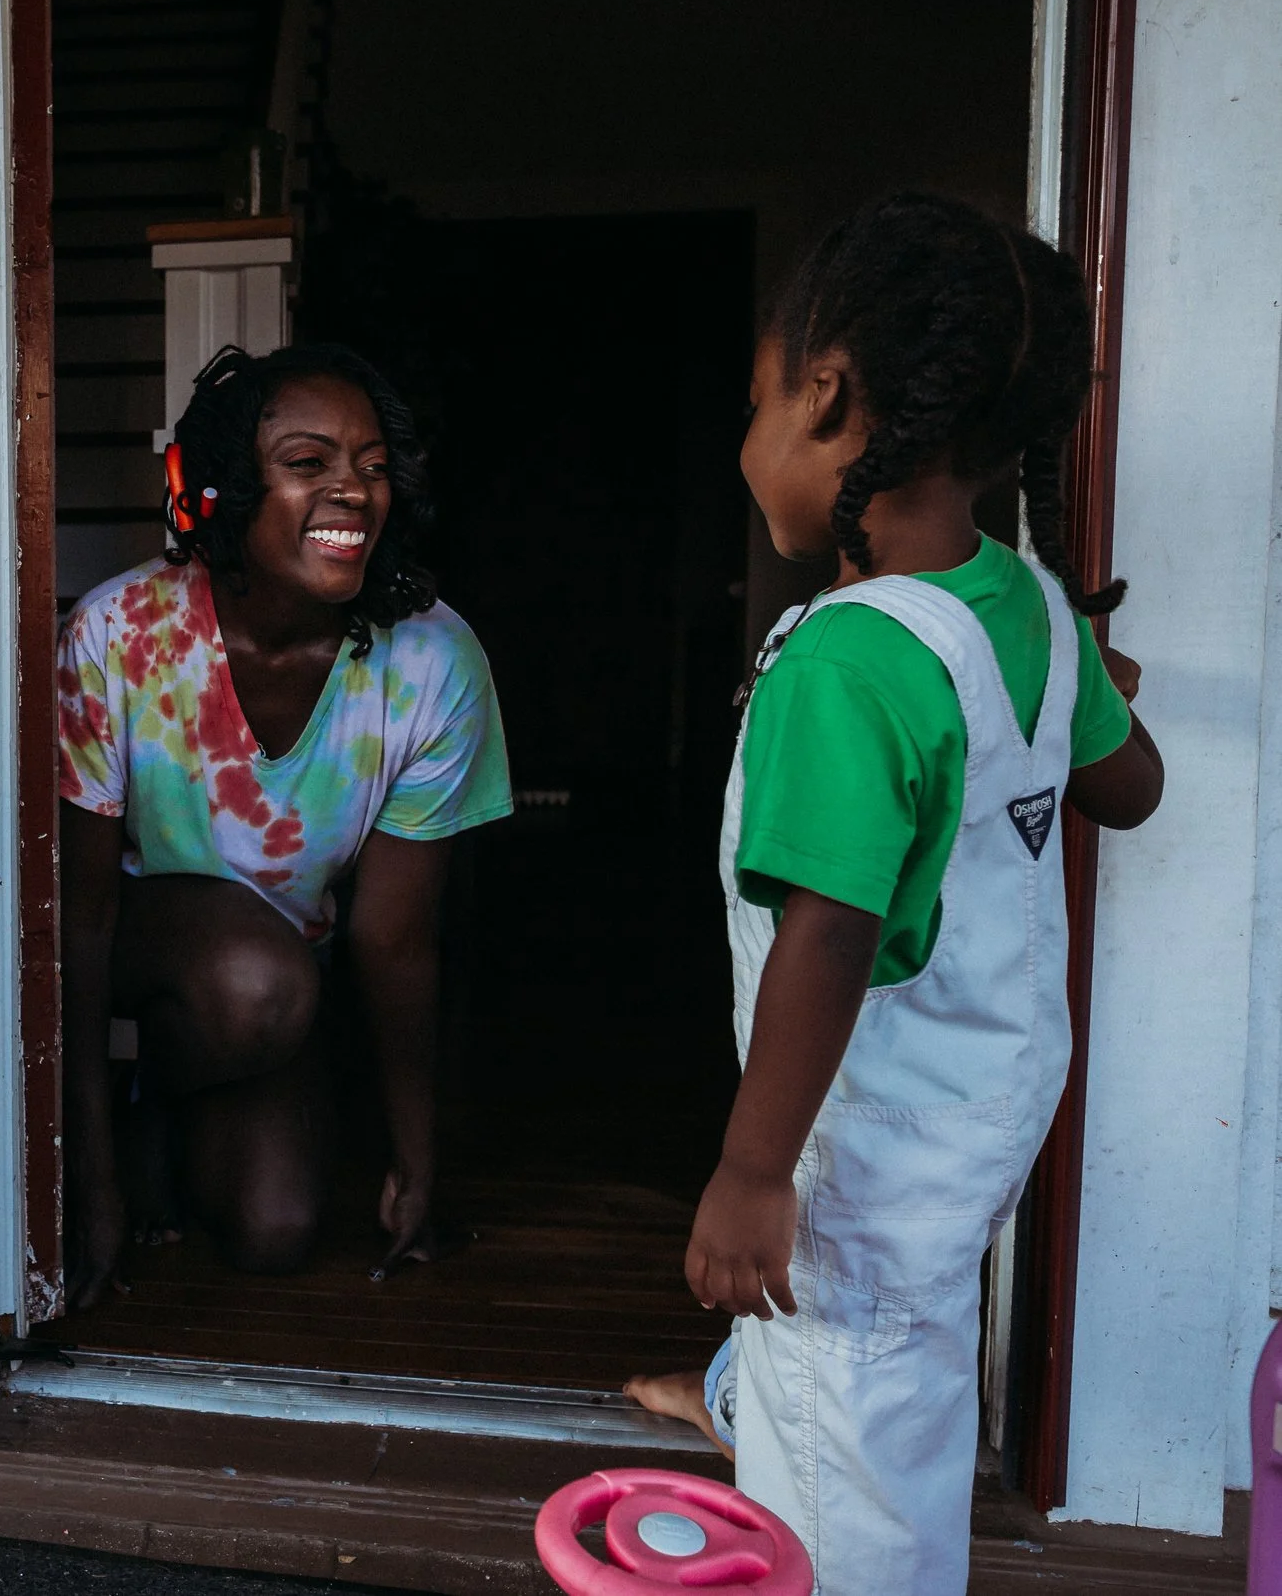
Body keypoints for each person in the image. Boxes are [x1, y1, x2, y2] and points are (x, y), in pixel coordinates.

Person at [623, 193, 1164, 1595]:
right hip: (986, 1090)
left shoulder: (845, 662)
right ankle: (754, 1393)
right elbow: (1132, 786)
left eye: (757, 398)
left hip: (870, 1122)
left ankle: (836, 1518)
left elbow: (831, 927)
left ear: (827, 396)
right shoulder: (1030, 604)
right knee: (895, 1319)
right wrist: (1077, 707)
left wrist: (751, 1175)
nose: (749, 436)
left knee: (848, 1391)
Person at [57, 343, 513, 1307]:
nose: (354, 488)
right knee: (255, 977)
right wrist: (85, 1180)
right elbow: (79, 922)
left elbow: (393, 939)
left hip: (278, 992)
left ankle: (164, 1105)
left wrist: (414, 1162)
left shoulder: (433, 663)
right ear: (221, 489)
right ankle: (131, 1125)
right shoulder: (115, 635)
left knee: (275, 1231)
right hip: (147, 941)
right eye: (310, 464)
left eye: (374, 465)